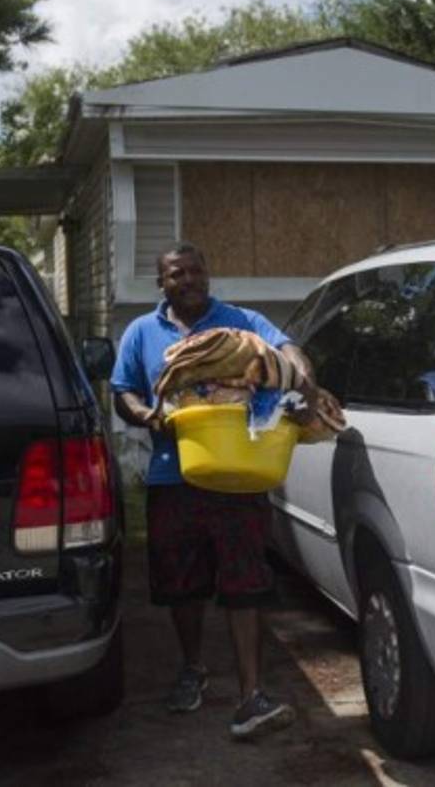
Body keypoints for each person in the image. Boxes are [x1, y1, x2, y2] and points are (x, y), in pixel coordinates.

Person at [111, 242, 314, 739]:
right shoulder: (141, 332)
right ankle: (192, 667)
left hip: (238, 472)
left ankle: (251, 695)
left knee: (246, 583)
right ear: (162, 283)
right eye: (176, 273)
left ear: (207, 274)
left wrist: (303, 379)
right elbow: (122, 392)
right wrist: (146, 414)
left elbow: (287, 349)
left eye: (195, 270)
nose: (188, 280)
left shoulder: (242, 322)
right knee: (181, 584)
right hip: (172, 475)